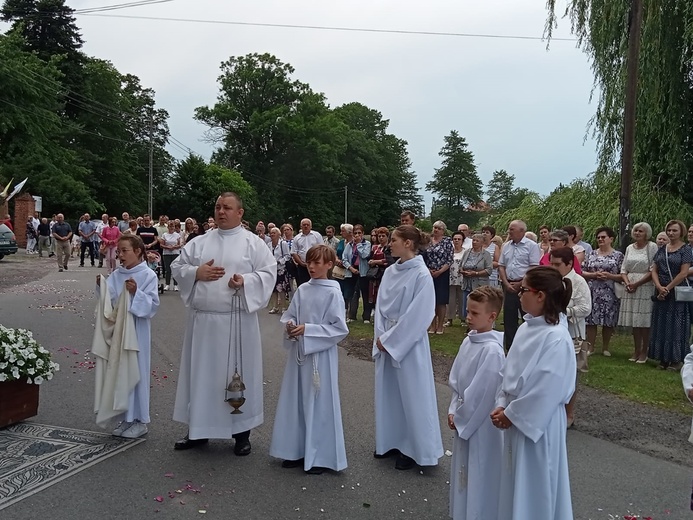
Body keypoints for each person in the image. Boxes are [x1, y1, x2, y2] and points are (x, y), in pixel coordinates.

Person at [170, 192, 276, 454]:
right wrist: (196, 272)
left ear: (240, 213)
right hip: (203, 323)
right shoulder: (200, 242)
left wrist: (245, 282)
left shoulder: (254, 244)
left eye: (227, 208)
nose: (221, 212)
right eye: (218, 207)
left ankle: (241, 434)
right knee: (202, 378)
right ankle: (198, 432)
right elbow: (177, 266)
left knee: (236, 377)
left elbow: (268, 272)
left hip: (237, 322)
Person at [491, 266, 575, 519]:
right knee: (515, 481)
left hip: (538, 423)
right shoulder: (528, 327)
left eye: (524, 289)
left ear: (540, 296)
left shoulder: (557, 338)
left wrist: (513, 414)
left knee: (536, 485)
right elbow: (508, 370)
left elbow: (546, 388)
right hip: (516, 414)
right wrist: (501, 402)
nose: (518, 292)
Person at [270, 245, 349, 474]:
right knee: (296, 400)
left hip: (320, 357)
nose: (312, 267)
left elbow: (339, 328)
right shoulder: (304, 289)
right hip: (300, 354)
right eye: (310, 262)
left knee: (319, 402)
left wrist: (309, 330)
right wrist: (291, 325)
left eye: (317, 263)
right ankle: (295, 450)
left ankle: (321, 456)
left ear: (329, 265)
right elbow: (290, 314)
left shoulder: (333, 292)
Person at [372, 225, 443, 470]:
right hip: (386, 339)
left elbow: (421, 314)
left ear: (409, 244)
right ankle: (390, 441)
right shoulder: (391, 271)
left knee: (412, 395)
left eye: (394, 240)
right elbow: (380, 306)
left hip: (408, 342)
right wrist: (380, 337)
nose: (389, 244)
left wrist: (392, 340)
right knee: (390, 394)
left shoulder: (421, 275)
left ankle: (414, 449)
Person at [447, 286, 505, 520]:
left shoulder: (492, 351)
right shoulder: (469, 341)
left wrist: (461, 416)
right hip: (463, 414)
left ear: (492, 316)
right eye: (467, 311)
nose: (468, 317)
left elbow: (483, 393)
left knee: (480, 469)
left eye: (474, 313)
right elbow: (456, 381)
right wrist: (453, 408)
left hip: (480, 424)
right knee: (464, 469)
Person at [94, 234, 160, 438]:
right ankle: (124, 418)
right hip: (119, 332)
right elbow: (109, 302)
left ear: (138, 251)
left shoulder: (148, 275)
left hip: (137, 332)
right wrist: (101, 287)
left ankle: (140, 420)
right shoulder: (116, 274)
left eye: (125, 251)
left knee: (135, 371)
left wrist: (136, 293)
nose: (120, 255)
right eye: (119, 251)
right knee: (120, 372)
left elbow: (152, 306)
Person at [549, 247, 591, 428]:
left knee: (570, 375)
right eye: (551, 263)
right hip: (550, 333)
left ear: (569, 264)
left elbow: (585, 308)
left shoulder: (579, 282)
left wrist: (562, 312)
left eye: (557, 264)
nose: (553, 267)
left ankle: (569, 413)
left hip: (572, 334)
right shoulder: (550, 281)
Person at [648, 220, 693, 370]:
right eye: (669, 230)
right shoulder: (662, 249)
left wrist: (668, 287)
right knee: (661, 323)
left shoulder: (685, 249)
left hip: (677, 290)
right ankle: (662, 357)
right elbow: (654, 269)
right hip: (661, 289)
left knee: (677, 324)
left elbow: (684, 272)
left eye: (674, 230)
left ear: (681, 232)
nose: (671, 233)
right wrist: (659, 286)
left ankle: (675, 358)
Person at [498, 220, 542, 350]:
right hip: (509, 285)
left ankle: (528, 346)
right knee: (509, 318)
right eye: (509, 229)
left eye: (512, 229)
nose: (509, 231)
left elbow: (534, 266)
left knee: (527, 316)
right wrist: (506, 283)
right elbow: (501, 266)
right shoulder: (506, 246)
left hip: (526, 287)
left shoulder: (532, 246)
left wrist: (520, 283)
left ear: (522, 231)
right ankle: (510, 347)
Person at [618, 222, 658, 363]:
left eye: (641, 231)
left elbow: (653, 268)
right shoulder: (629, 247)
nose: (637, 233)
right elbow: (623, 269)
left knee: (643, 320)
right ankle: (636, 350)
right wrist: (628, 282)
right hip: (630, 284)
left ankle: (644, 351)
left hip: (645, 285)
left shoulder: (652, 247)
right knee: (635, 320)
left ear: (646, 233)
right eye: (636, 230)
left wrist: (637, 283)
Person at [582, 227, 624, 356]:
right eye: (598, 237)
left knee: (609, 319)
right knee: (591, 319)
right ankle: (591, 347)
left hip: (609, 291)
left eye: (603, 237)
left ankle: (605, 348)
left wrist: (610, 276)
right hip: (593, 290)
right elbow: (582, 271)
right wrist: (594, 274)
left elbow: (623, 275)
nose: (600, 239)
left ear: (611, 239)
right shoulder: (591, 254)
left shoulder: (618, 255)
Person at [426, 220, 453, 334]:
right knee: (430, 300)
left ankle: (440, 325)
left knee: (441, 301)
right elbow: (424, 256)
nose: (435, 230)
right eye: (434, 227)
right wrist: (428, 270)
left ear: (443, 230)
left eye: (438, 228)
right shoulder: (428, 241)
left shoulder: (447, 241)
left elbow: (450, 259)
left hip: (442, 273)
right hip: (428, 273)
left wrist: (440, 271)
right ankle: (432, 325)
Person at [342, 224, 373, 323]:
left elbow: (364, 255)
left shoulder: (366, 244)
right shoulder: (349, 245)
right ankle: (352, 315)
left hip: (363, 271)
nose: (357, 235)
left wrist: (359, 244)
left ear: (363, 234)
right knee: (353, 294)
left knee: (365, 294)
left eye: (359, 233)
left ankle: (366, 317)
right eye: (355, 233)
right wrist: (350, 268)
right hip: (352, 270)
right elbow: (344, 258)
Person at [460, 233, 493, 316]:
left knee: (478, 306)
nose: (474, 242)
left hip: (479, 284)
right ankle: (469, 324)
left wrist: (476, 273)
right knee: (467, 306)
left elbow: (489, 270)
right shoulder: (467, 252)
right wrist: (462, 271)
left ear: (482, 243)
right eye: (473, 240)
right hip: (467, 283)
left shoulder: (486, 254)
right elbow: (461, 265)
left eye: (477, 241)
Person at [291, 218, 323, 286]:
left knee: (316, 283)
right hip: (302, 266)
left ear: (311, 226)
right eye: (304, 225)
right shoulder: (296, 238)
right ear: (301, 226)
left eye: (307, 225)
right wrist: (301, 263)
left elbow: (322, 249)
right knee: (303, 284)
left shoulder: (317, 235)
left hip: (315, 265)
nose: (306, 226)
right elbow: (294, 252)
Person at [268, 227, 292, 314]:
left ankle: (283, 307)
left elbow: (287, 256)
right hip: (272, 270)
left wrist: (279, 261)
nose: (272, 234)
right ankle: (275, 307)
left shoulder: (283, 243)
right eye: (271, 233)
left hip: (281, 269)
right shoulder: (269, 244)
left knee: (281, 289)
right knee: (273, 290)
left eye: (274, 233)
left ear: (279, 234)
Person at [446, 231, 466, 327]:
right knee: (451, 299)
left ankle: (463, 319)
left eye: (459, 239)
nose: (457, 241)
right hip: (450, 278)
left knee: (462, 299)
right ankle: (450, 319)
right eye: (455, 239)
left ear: (462, 241)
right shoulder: (449, 251)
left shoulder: (466, 252)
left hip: (462, 278)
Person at [159, 221, 182, 291]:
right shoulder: (164, 235)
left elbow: (179, 244)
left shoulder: (177, 235)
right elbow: (161, 245)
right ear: (168, 227)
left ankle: (175, 285)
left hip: (175, 253)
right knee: (168, 270)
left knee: (175, 269)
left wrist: (174, 247)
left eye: (173, 226)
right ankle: (167, 284)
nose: (171, 228)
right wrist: (167, 247)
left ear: (174, 227)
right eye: (170, 226)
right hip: (166, 253)